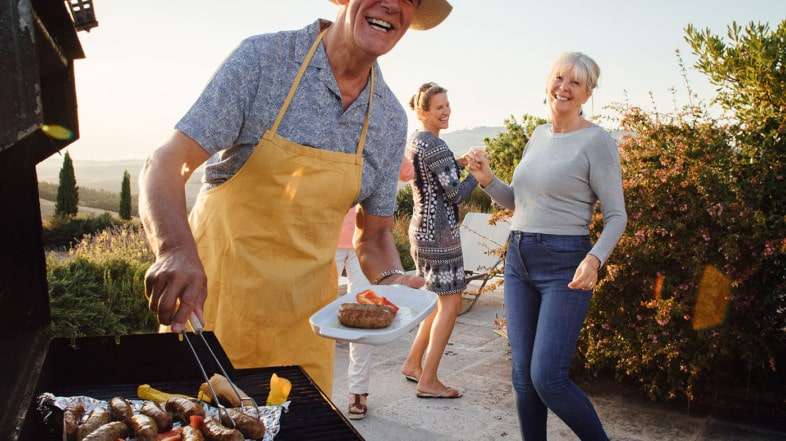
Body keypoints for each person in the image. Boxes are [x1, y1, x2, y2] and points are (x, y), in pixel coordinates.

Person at [139, 0, 453, 397]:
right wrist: (173, 249)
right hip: (212, 315)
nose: (391, 4)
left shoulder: (389, 118)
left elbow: (373, 237)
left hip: (304, 332)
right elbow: (166, 162)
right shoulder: (264, 61)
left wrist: (392, 280)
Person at [466, 53, 627, 440]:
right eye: (559, 78)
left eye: (575, 82)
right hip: (518, 259)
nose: (564, 88)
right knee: (523, 379)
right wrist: (487, 179)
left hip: (565, 265)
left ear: (588, 93)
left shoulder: (597, 141)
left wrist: (594, 259)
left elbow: (617, 216)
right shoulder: (537, 135)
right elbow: (520, 203)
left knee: (548, 379)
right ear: (548, 82)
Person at [400, 82, 477, 399]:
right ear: (422, 111)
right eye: (439, 107)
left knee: (435, 300)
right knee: (451, 302)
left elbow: (434, 172)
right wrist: (476, 172)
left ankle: (413, 363)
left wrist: (457, 162)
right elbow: (456, 193)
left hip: (420, 230)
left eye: (447, 105)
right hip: (440, 236)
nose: (446, 111)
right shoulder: (436, 147)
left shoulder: (418, 142)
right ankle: (429, 379)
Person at [337, 158, 413, 420]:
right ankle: (312, 386)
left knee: (365, 319)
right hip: (325, 239)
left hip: (365, 242)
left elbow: (405, 171)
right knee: (314, 319)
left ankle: (358, 391)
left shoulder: (378, 132)